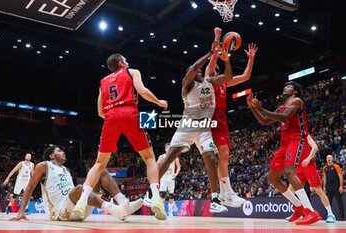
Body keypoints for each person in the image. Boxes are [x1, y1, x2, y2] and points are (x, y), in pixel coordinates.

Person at [74, 53, 168, 220]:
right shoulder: (132, 72)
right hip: (130, 112)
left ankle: (82, 201)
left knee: (99, 163)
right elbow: (142, 91)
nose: (128, 61)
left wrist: (114, 117)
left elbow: (100, 112)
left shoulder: (103, 82)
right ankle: (156, 198)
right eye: (125, 60)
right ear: (121, 63)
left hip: (111, 116)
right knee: (149, 158)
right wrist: (158, 102)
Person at [158, 27, 232, 213]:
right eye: (195, 71)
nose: (198, 72)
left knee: (211, 158)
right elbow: (194, 68)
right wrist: (210, 52)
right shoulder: (187, 85)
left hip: (204, 128)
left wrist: (226, 59)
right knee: (169, 158)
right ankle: (151, 192)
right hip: (187, 125)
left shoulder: (209, 82)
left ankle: (215, 199)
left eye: (199, 71)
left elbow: (228, 77)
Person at [247, 81, 321, 225]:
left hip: (297, 139)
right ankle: (298, 207)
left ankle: (310, 212)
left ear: (295, 92)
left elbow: (284, 117)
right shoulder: (282, 107)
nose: (284, 87)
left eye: (288, 87)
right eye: (284, 86)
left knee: (289, 172)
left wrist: (261, 108)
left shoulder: (297, 101)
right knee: (272, 178)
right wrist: (253, 108)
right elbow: (263, 121)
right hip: (285, 143)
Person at [12, 146, 143, 221]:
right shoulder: (44, 166)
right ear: (51, 156)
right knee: (79, 188)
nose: (63, 152)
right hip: (60, 213)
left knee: (100, 171)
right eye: (59, 150)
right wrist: (21, 211)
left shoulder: (65, 169)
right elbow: (29, 187)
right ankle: (117, 211)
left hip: (79, 209)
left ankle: (123, 203)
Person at [207, 42, 258, 207]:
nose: (212, 68)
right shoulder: (208, 80)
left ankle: (225, 192)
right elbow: (212, 61)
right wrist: (220, 51)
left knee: (225, 155)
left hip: (223, 121)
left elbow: (246, 76)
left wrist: (251, 59)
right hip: (212, 119)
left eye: (215, 68)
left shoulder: (224, 82)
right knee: (222, 151)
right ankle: (227, 192)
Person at [288, 135, 336, 223]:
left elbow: (315, 147)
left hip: (308, 165)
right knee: (290, 190)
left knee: (318, 190)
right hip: (298, 167)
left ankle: (331, 214)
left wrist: (308, 158)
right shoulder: (291, 138)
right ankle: (301, 212)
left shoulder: (305, 134)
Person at [323, 154, 344, 220]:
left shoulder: (336, 166)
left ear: (332, 159)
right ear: (326, 159)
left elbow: (340, 176)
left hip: (336, 184)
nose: (328, 159)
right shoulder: (324, 168)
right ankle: (329, 214)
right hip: (328, 185)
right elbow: (324, 177)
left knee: (339, 200)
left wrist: (341, 186)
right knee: (328, 201)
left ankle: (342, 215)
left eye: (330, 158)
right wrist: (324, 187)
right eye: (327, 158)